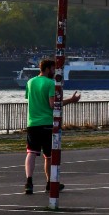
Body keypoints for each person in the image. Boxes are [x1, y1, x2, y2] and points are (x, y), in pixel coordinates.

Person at [24, 58, 81, 195]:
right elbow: (53, 105)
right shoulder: (50, 83)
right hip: (47, 124)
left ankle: (29, 182)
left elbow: (29, 99)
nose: (55, 71)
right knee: (49, 155)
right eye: (53, 69)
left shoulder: (30, 82)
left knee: (31, 152)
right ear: (48, 68)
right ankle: (50, 182)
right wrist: (71, 100)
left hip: (32, 123)